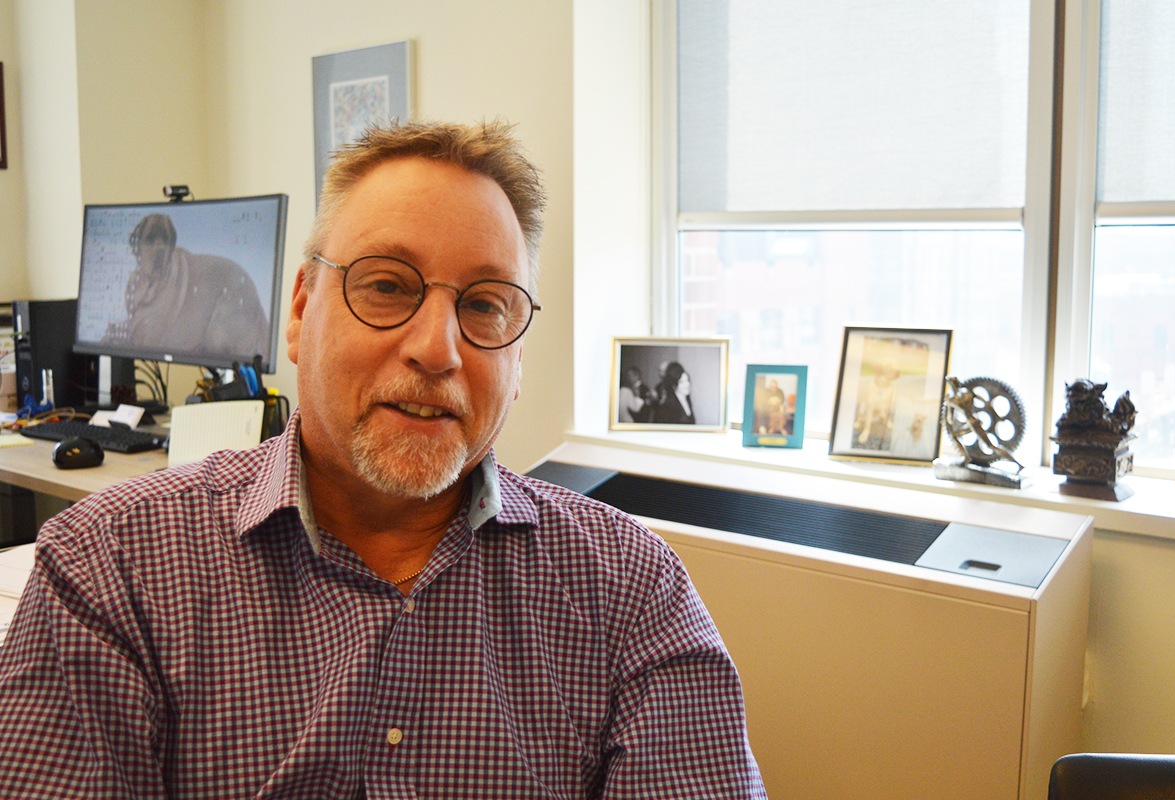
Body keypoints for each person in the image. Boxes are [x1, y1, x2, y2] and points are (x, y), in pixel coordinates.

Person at [0, 120, 766, 798]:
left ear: (519, 355)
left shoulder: (630, 590)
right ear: (299, 312)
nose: (437, 349)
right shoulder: (111, 568)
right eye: (388, 287)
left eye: (483, 304)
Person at [103, 213, 272, 359]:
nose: (159, 247)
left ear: (172, 246)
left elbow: (150, 340)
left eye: (165, 241)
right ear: (137, 246)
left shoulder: (172, 281)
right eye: (150, 239)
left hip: (235, 297)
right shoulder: (136, 284)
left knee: (216, 343)